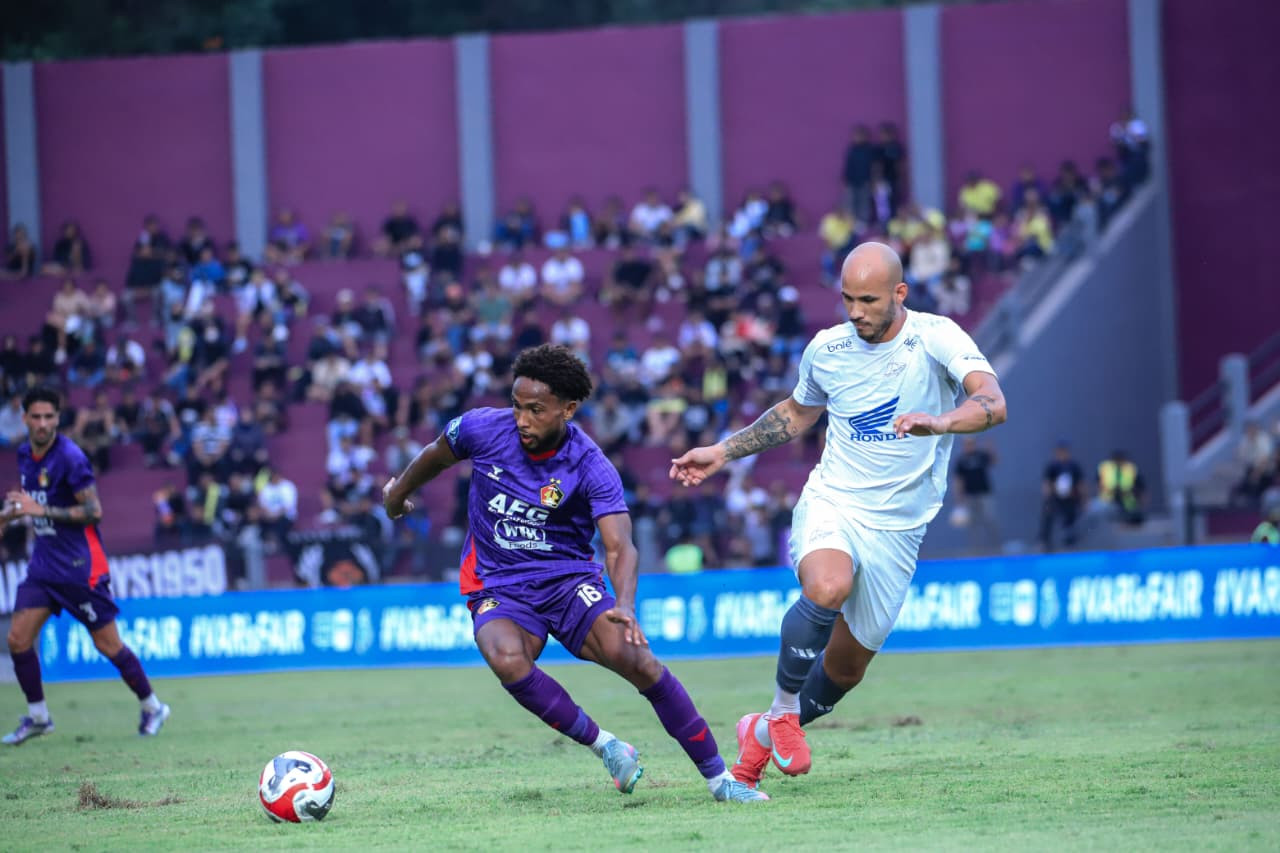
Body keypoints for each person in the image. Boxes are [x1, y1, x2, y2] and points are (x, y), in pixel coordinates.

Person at [669, 241, 1007, 789]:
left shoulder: (937, 337)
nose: (856, 312)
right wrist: (722, 452)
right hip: (835, 501)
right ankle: (780, 710)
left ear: (900, 293)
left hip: (899, 528)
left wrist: (941, 423)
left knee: (845, 673)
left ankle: (758, 733)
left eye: (869, 300)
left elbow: (993, 401)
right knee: (828, 585)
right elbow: (797, 413)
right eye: (848, 299)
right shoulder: (828, 349)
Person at [382, 344, 766, 803]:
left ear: (568, 408)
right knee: (505, 657)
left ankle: (721, 779)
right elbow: (435, 454)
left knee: (637, 659)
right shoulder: (482, 429)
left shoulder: (590, 465)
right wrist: (396, 495)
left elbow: (619, 544)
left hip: (568, 583)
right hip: (499, 583)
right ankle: (606, 746)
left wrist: (623, 604)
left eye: (536, 410)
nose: (523, 419)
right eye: (518, 406)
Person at [1, 387, 171, 745]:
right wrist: (10, 516)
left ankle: (153, 706)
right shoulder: (24, 454)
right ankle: (39, 717)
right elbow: (34, 503)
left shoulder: (71, 458)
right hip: (44, 565)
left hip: (81, 567)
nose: (43, 423)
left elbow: (94, 511)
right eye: (37, 416)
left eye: (50, 417)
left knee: (109, 646)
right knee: (17, 639)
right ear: (25, 417)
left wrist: (39, 511)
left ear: (58, 419)